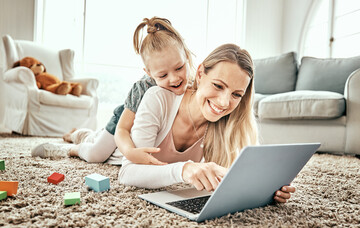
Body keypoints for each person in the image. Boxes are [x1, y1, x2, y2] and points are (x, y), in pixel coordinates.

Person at [117, 43, 295, 204]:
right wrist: (184, 169)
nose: (224, 103)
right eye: (218, 86)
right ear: (200, 73)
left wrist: (268, 189)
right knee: (94, 151)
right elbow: (127, 173)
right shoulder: (158, 98)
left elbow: (236, 175)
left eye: (236, 95)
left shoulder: (226, 125)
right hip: (116, 147)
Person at [31, 17, 194, 165]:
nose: (174, 79)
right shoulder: (143, 88)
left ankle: (82, 133)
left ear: (186, 57)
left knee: (100, 142)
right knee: (97, 154)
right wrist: (130, 152)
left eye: (179, 68)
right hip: (122, 122)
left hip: (148, 129)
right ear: (149, 73)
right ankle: (72, 148)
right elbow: (122, 129)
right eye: (163, 75)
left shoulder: (194, 85)